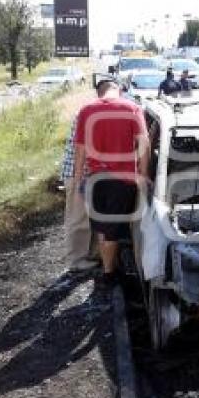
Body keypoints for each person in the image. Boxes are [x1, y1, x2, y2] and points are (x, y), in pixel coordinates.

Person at [72, 78, 150, 285]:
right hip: (121, 181)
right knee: (112, 230)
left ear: (99, 93)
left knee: (102, 226)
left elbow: (79, 148)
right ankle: (109, 274)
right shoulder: (132, 108)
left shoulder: (86, 110)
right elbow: (144, 144)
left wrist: (78, 177)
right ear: (120, 90)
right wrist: (143, 174)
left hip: (95, 178)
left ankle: (108, 266)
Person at [60, 112, 98, 272]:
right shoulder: (88, 116)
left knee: (91, 219)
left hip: (87, 173)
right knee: (78, 219)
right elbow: (81, 148)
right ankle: (76, 261)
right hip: (79, 173)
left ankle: (91, 256)